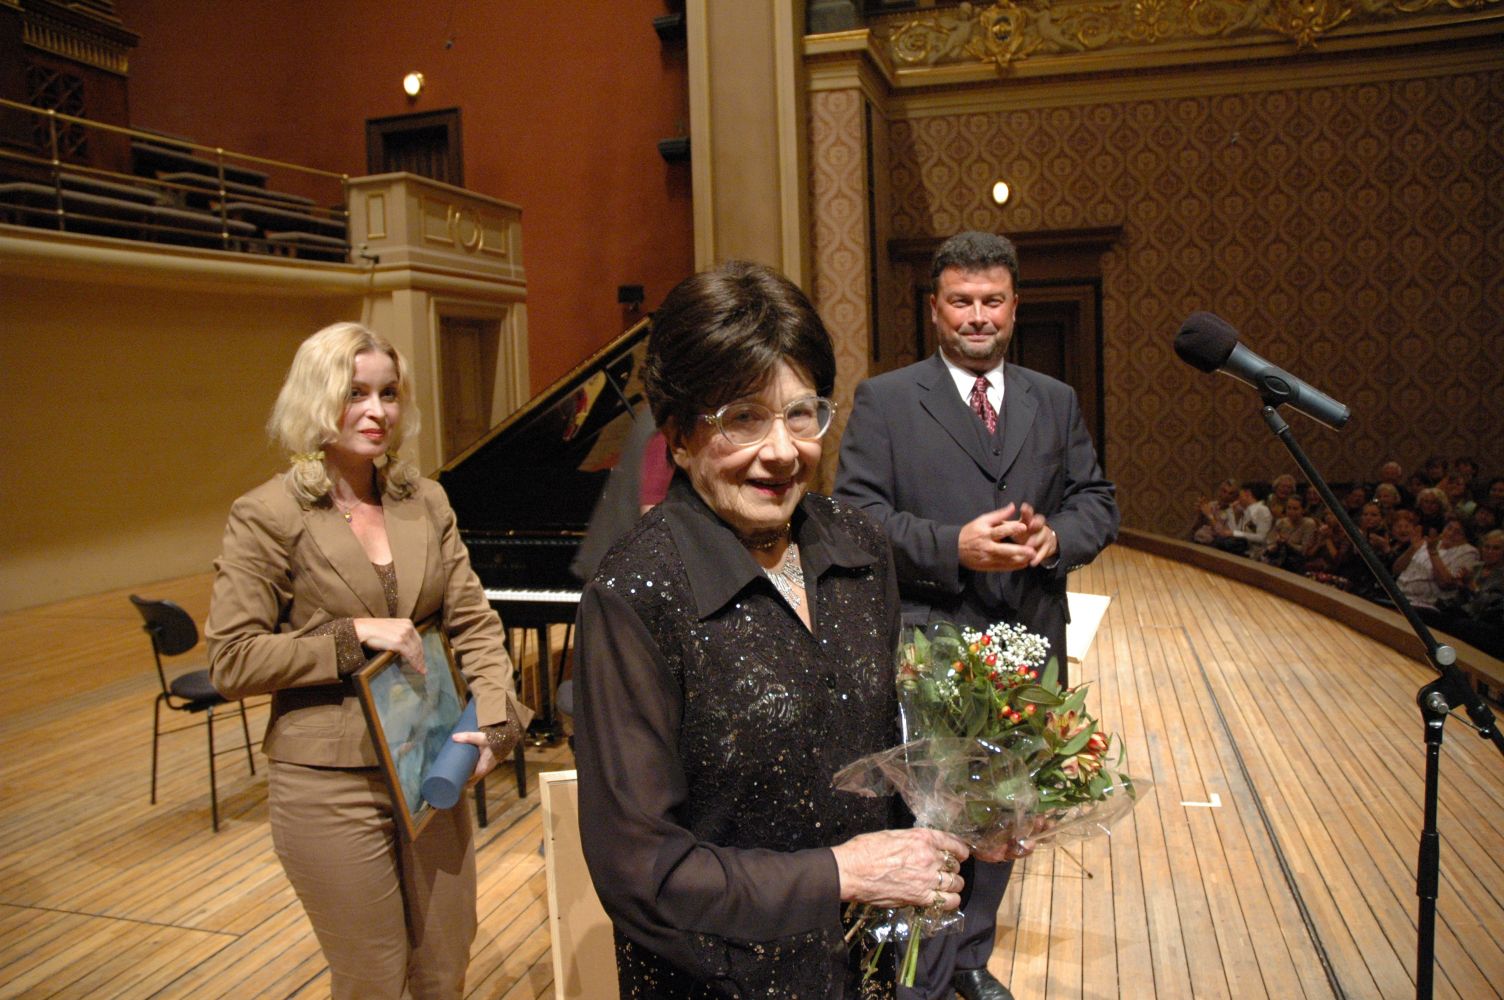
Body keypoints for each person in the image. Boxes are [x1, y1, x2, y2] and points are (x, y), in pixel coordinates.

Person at [573, 261, 973, 999]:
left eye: (801, 413)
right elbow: (641, 872)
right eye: (744, 419)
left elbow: (886, 761)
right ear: (678, 436)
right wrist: (839, 874)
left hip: (866, 972)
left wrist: (973, 815)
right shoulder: (636, 594)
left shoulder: (859, 547)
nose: (784, 450)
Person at [205, 322, 531, 1000]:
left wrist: (496, 723)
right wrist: (350, 635)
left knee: (444, 966)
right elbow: (232, 660)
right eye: (355, 393)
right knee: (373, 980)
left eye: (389, 393)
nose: (377, 411)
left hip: (428, 767)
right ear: (316, 399)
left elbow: (474, 625)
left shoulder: (425, 500)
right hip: (329, 783)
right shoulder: (267, 513)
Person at [835, 231, 1119, 1000]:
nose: (977, 315)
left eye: (992, 300)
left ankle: (968, 958)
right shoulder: (887, 401)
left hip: (1028, 643)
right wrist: (952, 546)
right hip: (929, 647)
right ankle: (915, 978)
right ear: (935, 308)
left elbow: (1096, 501)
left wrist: (1060, 538)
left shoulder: (1054, 400)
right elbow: (854, 519)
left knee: (1004, 821)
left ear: (1015, 306)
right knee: (931, 825)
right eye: (961, 301)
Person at [1191, 478, 1238, 545]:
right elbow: (1194, 528)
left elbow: (1224, 534)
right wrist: (1199, 514)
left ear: (1235, 497)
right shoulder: (1212, 505)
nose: (1226, 496)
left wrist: (1210, 515)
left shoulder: (1234, 511)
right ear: (1219, 491)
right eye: (1224, 491)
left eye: (1230, 493)